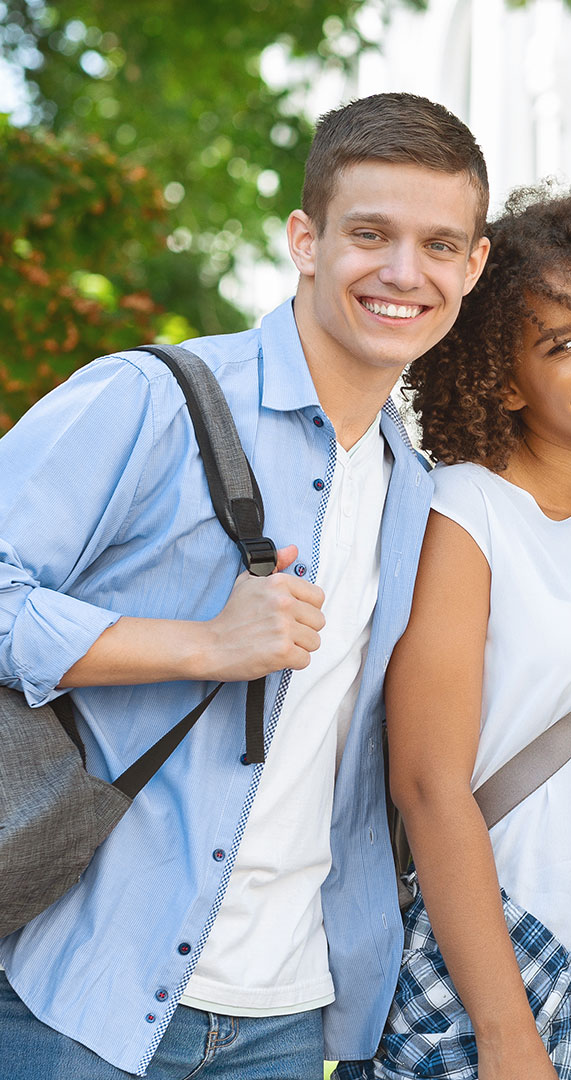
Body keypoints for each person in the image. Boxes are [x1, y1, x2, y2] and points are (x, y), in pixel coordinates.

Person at [0, 93, 491, 1078]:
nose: (405, 273)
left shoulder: (416, 492)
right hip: (85, 996)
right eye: (369, 234)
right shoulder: (154, 401)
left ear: (473, 266)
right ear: (305, 241)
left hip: (288, 1013)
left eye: (440, 244)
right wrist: (201, 645)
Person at [341, 180, 571, 1080]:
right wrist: (507, 1036)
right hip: (499, 981)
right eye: (563, 342)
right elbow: (428, 785)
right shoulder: (466, 512)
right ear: (502, 379)